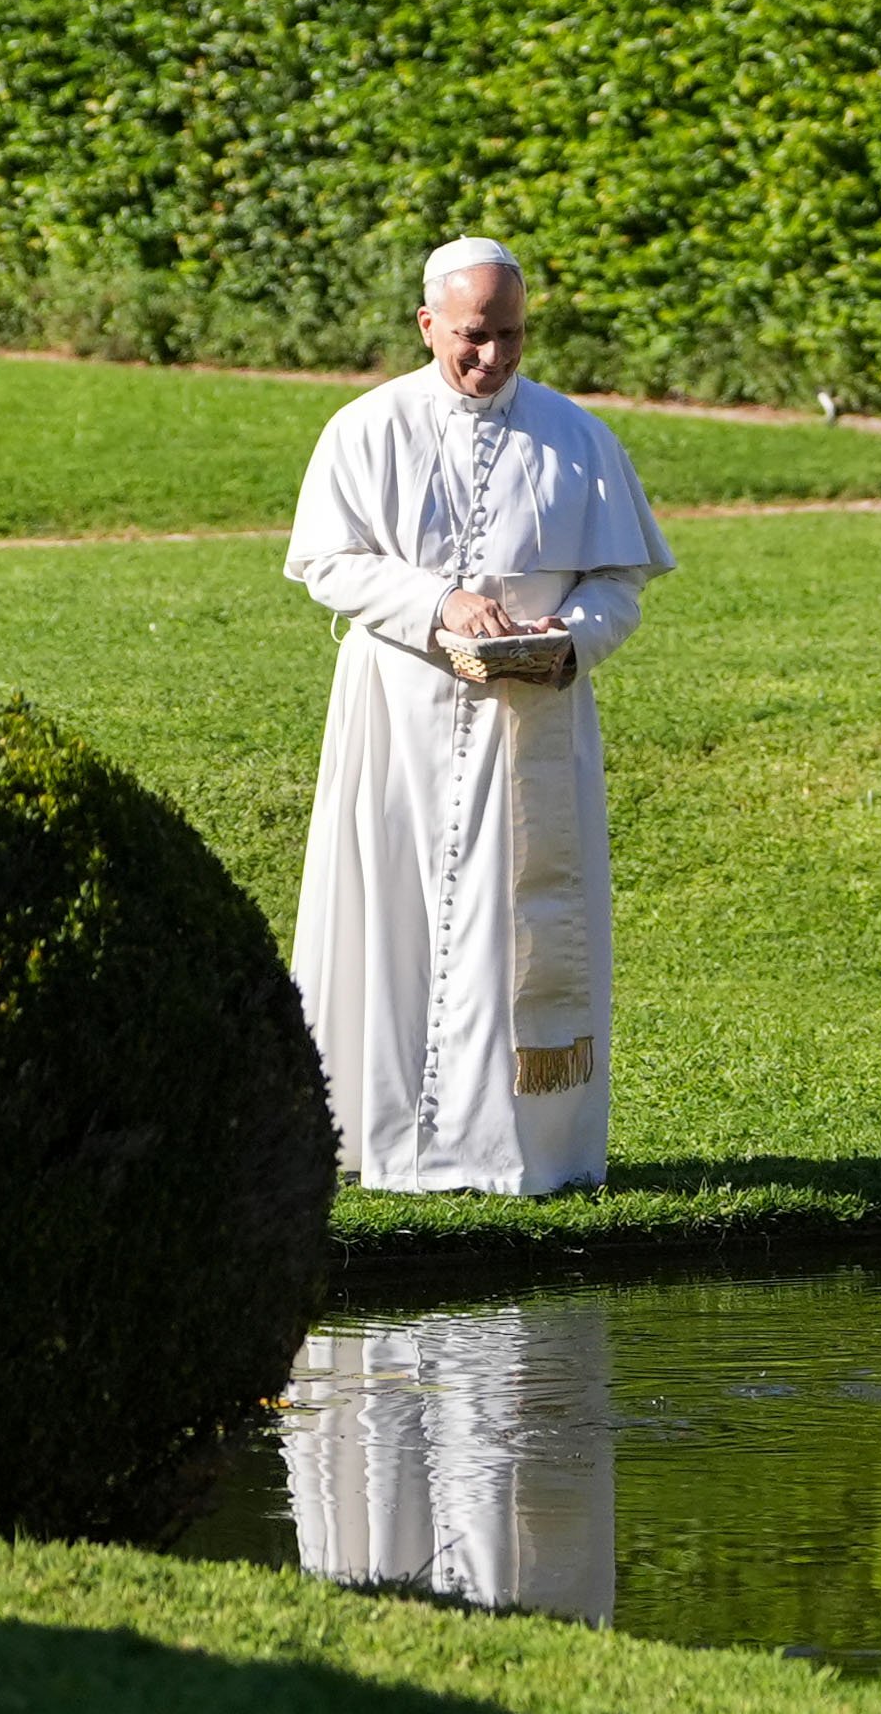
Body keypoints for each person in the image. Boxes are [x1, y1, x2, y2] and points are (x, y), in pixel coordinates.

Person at [284, 238, 673, 1194]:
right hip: (400, 724)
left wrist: (568, 638)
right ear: (426, 325)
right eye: (472, 336)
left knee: (516, 930)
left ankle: (525, 1156)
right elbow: (328, 563)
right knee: (399, 921)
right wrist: (436, 602)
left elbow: (619, 582)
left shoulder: (578, 438)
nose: (492, 357)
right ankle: (385, 1148)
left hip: (529, 729)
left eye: (510, 336)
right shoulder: (365, 429)